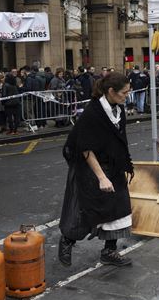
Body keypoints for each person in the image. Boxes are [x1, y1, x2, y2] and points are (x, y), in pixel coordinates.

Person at [58, 72, 135, 267]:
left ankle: (109, 251)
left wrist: (122, 165)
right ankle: (68, 240)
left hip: (113, 166)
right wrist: (101, 177)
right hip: (91, 167)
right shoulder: (93, 113)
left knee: (120, 206)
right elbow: (85, 148)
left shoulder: (118, 110)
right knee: (85, 208)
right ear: (111, 91)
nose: (127, 96)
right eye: (124, 93)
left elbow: (118, 142)